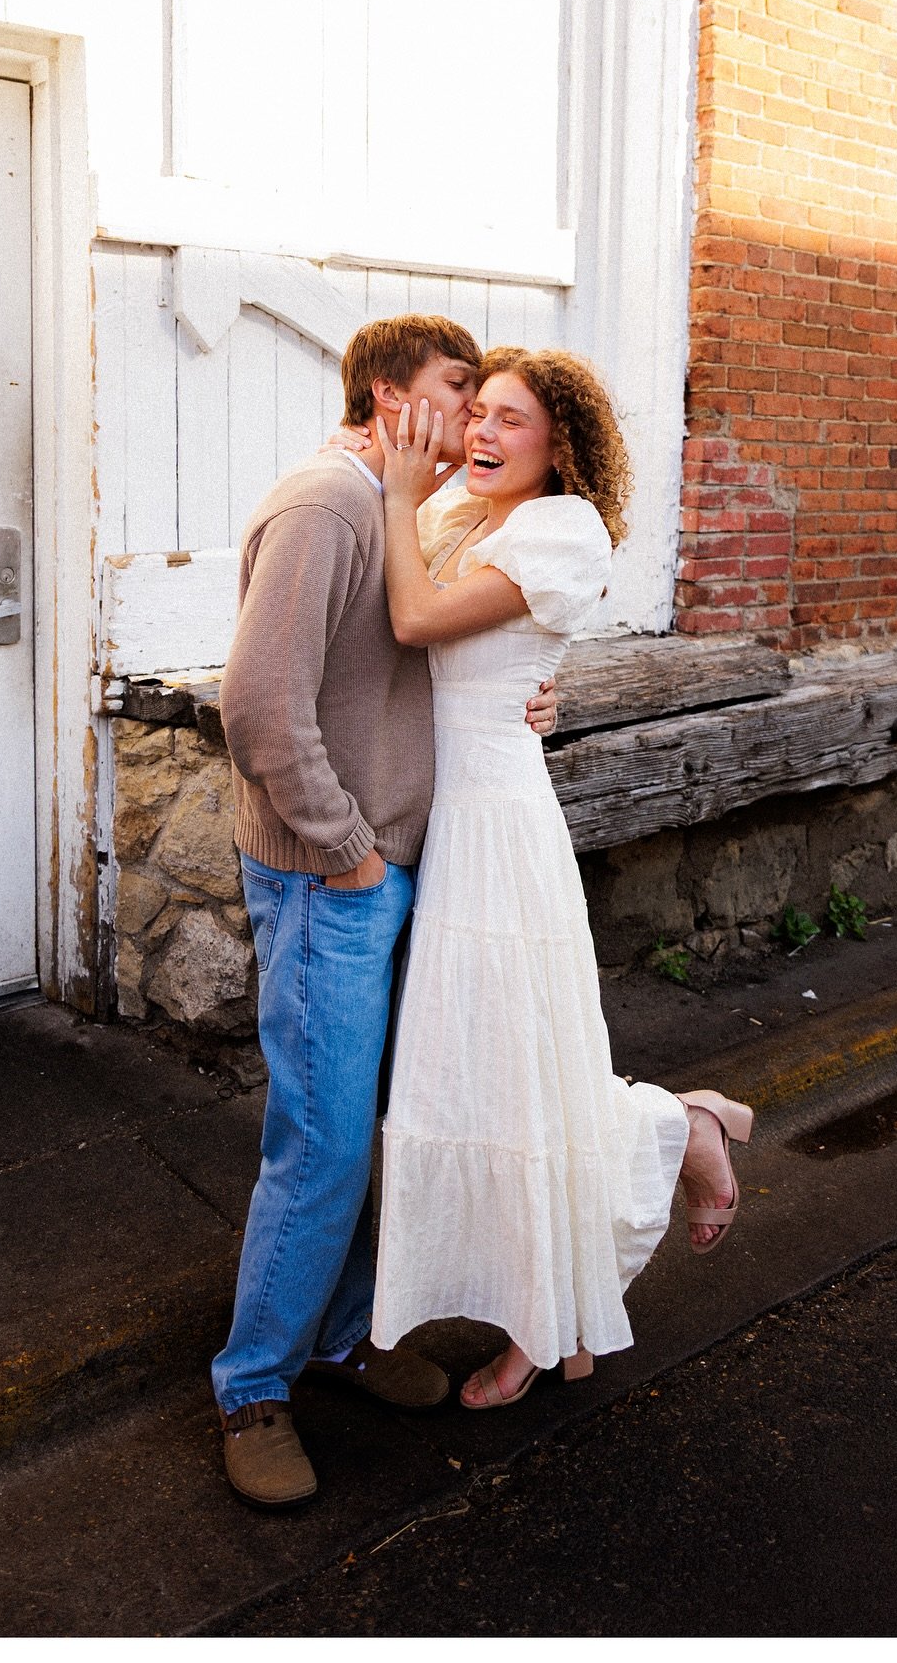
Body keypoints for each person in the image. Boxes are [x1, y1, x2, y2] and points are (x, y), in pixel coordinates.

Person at [212, 315, 560, 1506]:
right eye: (458, 389)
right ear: (384, 397)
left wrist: (536, 697)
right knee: (321, 1143)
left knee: (383, 1128)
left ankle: (340, 1337)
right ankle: (253, 1388)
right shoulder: (324, 505)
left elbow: (436, 659)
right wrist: (348, 849)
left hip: (404, 867)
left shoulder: (410, 510)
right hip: (333, 878)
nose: (475, 415)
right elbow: (259, 706)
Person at [363, 347, 753, 1409]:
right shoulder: (461, 518)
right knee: (478, 1070)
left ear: (561, 442)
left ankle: (544, 1318)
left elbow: (413, 621)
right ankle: (682, 1125)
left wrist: (399, 495)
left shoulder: (561, 528)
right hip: (446, 824)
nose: (482, 434)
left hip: (499, 830)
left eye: (511, 420)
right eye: (478, 413)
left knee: (516, 1069)